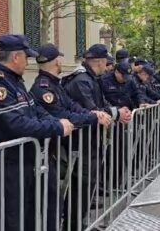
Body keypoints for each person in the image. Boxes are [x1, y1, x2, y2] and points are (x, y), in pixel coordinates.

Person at [0, 35, 73, 231]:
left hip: (21, 161)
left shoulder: (14, 81)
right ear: (16, 57)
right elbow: (17, 124)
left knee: (26, 215)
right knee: (10, 218)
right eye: (26, 58)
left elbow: (36, 111)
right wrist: (57, 127)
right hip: (5, 164)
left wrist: (56, 122)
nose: (28, 63)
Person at [61, 44, 131, 229]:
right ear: (99, 62)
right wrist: (115, 113)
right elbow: (91, 108)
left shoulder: (91, 79)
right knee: (81, 185)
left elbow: (102, 104)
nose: (107, 65)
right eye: (105, 62)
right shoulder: (82, 80)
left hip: (90, 139)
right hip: (81, 142)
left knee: (86, 185)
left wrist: (116, 111)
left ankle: (79, 221)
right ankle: (74, 224)